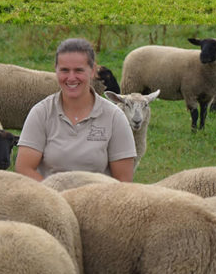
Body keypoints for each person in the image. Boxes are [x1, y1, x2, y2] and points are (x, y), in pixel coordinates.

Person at [15, 38, 136, 182]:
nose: (71, 78)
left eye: (79, 70)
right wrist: (56, 197)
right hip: (51, 201)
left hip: (98, 202)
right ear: (56, 70)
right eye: (64, 70)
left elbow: (123, 181)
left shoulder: (114, 117)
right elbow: (24, 168)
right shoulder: (41, 112)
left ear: (92, 71)